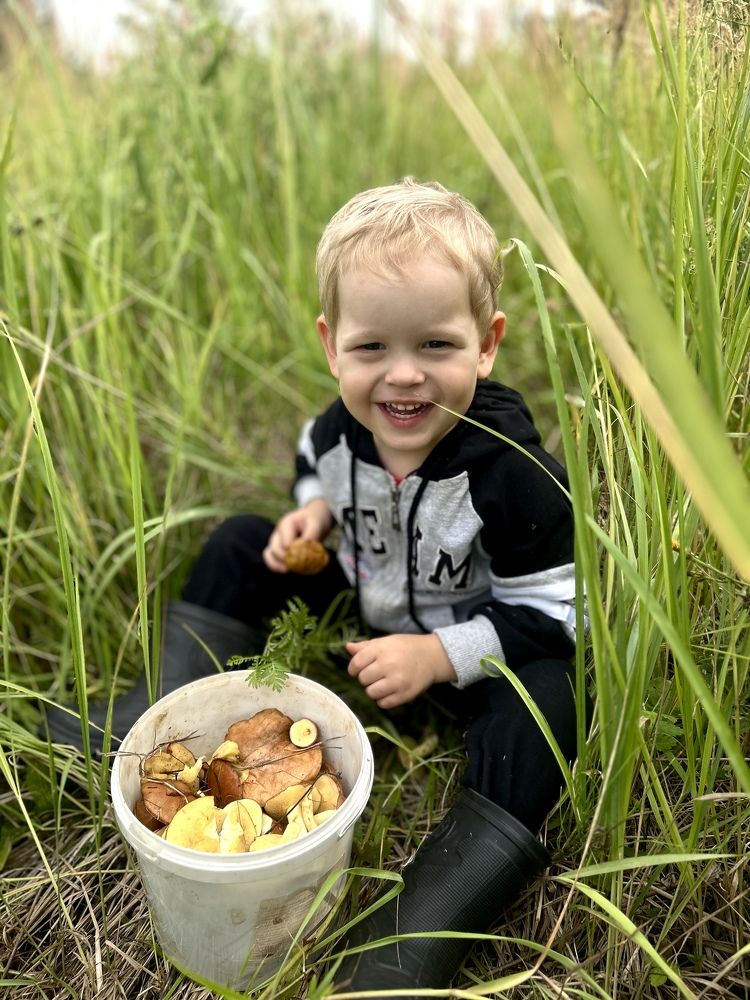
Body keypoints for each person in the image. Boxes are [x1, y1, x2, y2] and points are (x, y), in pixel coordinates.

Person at [47, 178, 586, 995]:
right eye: (372, 350)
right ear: (334, 345)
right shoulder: (343, 430)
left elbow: (552, 615)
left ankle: (428, 914)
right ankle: (153, 715)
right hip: (360, 612)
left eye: (436, 346)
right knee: (238, 539)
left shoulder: (512, 475)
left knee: (549, 700)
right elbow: (312, 459)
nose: (402, 378)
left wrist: (439, 656)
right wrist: (311, 516)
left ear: (486, 343)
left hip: (467, 660)